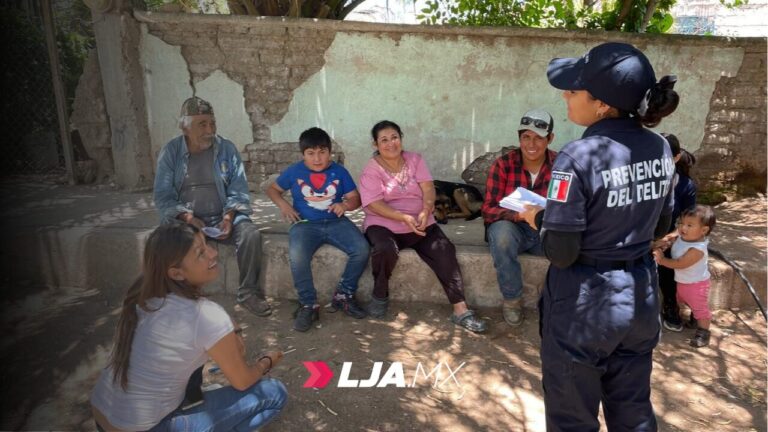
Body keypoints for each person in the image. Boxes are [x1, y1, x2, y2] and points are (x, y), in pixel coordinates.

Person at [520, 42, 680, 430]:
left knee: (573, 416)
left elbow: (560, 250)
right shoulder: (659, 147)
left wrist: (539, 217)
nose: (565, 96)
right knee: (633, 410)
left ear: (602, 104)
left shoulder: (578, 156)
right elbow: (660, 228)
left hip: (584, 304)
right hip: (639, 296)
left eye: (574, 91)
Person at [90, 223, 287, 431]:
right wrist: (266, 362)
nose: (213, 253)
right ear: (176, 273)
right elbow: (242, 381)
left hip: (102, 417)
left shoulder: (144, 290)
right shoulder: (206, 315)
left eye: (206, 244)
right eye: (200, 253)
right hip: (147, 428)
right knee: (275, 393)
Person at [358, 120, 487, 333]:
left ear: (401, 138)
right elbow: (373, 204)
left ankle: (460, 310)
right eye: (384, 140)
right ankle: (379, 296)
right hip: (383, 223)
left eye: (394, 137)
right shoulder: (371, 170)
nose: (391, 143)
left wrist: (425, 211)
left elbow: (428, 190)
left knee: (445, 249)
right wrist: (402, 217)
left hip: (419, 221)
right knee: (384, 249)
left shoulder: (415, 160)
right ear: (375, 144)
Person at [153, 97, 271, 316]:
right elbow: (163, 196)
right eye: (202, 124)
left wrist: (228, 217)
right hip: (187, 219)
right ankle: (180, 296)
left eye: (212, 123)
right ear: (184, 127)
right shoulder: (171, 152)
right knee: (168, 241)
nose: (209, 129)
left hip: (224, 215)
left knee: (250, 234)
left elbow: (238, 188)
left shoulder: (226, 149)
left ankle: (248, 293)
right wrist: (188, 218)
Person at [266, 127, 370, 332]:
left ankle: (344, 295)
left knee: (362, 249)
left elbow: (355, 198)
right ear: (303, 154)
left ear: (329, 152)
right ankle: (308, 304)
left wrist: (345, 206)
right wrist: (284, 205)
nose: (317, 158)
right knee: (297, 256)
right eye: (311, 153)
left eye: (322, 152)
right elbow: (272, 189)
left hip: (336, 222)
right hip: (305, 224)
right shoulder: (295, 171)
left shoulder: (339, 172)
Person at [482, 109, 557, 327]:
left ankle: (557, 300)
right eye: (526, 137)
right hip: (514, 230)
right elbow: (488, 209)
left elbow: (570, 207)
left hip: (545, 232)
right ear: (519, 138)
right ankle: (512, 300)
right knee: (501, 233)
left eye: (538, 138)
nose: (531, 144)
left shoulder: (562, 165)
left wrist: (542, 215)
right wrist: (521, 215)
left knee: (576, 240)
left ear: (550, 138)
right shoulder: (503, 164)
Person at [653, 205, 716, 347]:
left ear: (704, 230)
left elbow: (680, 263)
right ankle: (694, 319)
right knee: (684, 301)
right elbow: (673, 240)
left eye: (689, 225)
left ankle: (703, 331)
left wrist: (662, 260)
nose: (683, 228)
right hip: (682, 282)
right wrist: (665, 243)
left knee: (700, 309)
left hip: (696, 285)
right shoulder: (684, 238)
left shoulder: (697, 249)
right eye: (681, 223)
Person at [656, 133, 697, 332]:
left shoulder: (685, 186)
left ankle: (671, 304)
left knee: (672, 258)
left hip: (672, 236)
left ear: (677, 157)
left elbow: (689, 221)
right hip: (644, 236)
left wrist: (670, 237)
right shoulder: (643, 181)